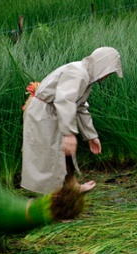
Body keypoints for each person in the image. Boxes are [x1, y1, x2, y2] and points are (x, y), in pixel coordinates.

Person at [21, 46, 123, 194]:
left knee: (65, 152)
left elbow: (80, 107)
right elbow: (65, 100)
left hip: (54, 112)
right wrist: (68, 133)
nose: (107, 76)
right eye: (109, 72)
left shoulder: (86, 77)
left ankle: (72, 186)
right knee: (51, 157)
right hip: (43, 113)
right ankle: (56, 200)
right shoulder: (78, 73)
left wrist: (91, 136)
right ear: (102, 66)